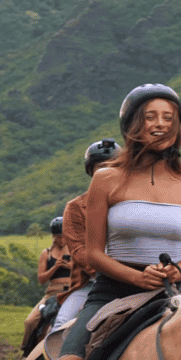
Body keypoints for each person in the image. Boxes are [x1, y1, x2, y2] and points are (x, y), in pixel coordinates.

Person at [42, 83, 181, 360]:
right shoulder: (106, 180)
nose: (161, 124)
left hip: (170, 295)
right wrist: (134, 277)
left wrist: (175, 274)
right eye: (151, 117)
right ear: (133, 125)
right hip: (111, 293)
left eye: (169, 118)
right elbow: (95, 253)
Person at [51, 138, 122, 331]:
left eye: (113, 166)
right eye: (102, 167)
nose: (108, 172)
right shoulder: (75, 208)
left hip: (140, 278)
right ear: (91, 171)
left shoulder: (132, 204)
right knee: (61, 324)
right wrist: (120, 274)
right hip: (93, 285)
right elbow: (81, 253)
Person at [19, 218, 72, 359]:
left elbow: (85, 270)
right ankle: (26, 353)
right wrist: (55, 267)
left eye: (63, 236)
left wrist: (69, 266)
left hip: (73, 290)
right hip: (53, 291)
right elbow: (42, 279)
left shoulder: (75, 251)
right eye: (58, 237)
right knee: (30, 321)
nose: (61, 240)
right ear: (53, 236)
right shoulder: (46, 253)